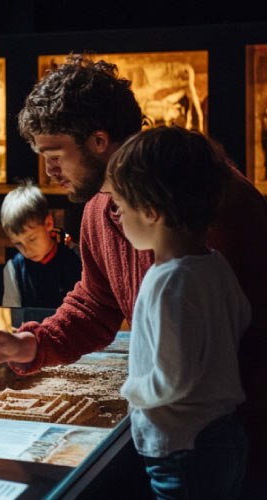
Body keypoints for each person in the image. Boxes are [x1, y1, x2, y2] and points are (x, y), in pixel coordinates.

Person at [0, 54, 267, 492]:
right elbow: (94, 305)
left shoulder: (218, 201)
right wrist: (30, 345)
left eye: (55, 155)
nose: (49, 172)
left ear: (99, 140)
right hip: (180, 436)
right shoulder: (96, 211)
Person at [107, 127, 249, 499]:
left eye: (121, 207)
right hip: (220, 432)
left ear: (151, 211)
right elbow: (242, 316)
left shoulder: (168, 280)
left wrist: (129, 389)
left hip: (183, 447)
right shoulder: (214, 263)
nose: (117, 219)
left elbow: (172, 380)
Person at [0, 179, 81, 308]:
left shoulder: (77, 257)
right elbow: (13, 315)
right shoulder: (13, 269)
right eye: (18, 243)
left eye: (32, 239)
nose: (27, 250)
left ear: (48, 224)